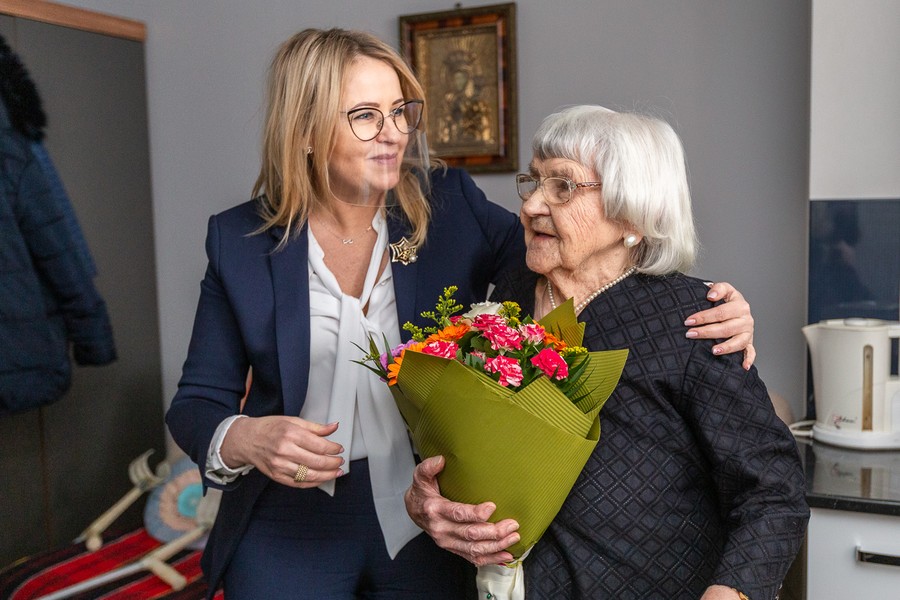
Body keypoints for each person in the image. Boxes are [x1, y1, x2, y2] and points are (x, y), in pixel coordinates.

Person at [165, 30, 756, 600]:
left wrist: (699, 300)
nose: (393, 133)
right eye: (366, 115)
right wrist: (245, 437)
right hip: (288, 521)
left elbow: (570, 261)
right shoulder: (240, 241)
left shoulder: (448, 206)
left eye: (400, 111)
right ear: (307, 131)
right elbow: (196, 401)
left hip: (431, 519)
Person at [405, 106, 808, 600]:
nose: (531, 206)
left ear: (632, 214)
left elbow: (773, 490)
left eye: (563, 187)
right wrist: (434, 502)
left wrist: (734, 591)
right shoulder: (505, 296)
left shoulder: (695, 319)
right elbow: (464, 437)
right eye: (532, 182)